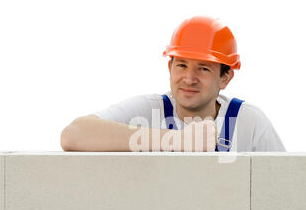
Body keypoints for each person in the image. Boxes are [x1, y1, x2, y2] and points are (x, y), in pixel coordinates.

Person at [61, 16, 286, 152]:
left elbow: (286, 184)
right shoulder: (149, 110)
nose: (189, 78)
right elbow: (73, 135)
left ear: (225, 78)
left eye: (204, 68)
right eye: (182, 65)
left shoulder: (249, 122)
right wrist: (177, 140)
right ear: (170, 68)